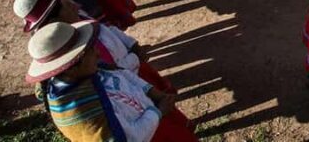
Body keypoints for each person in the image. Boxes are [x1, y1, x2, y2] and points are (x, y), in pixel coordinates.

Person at [25, 21, 198, 142]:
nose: (98, 54)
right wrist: (157, 112)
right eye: (91, 52)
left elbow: (120, 73)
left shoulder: (86, 72)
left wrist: (151, 92)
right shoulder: (82, 110)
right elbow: (130, 138)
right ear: (71, 67)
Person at [12, 0, 177, 96]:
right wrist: (135, 58)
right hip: (130, 84)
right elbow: (112, 72)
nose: (76, 6)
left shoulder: (78, 19)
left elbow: (107, 29)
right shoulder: (75, 51)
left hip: (135, 67)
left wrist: (131, 44)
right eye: (68, 5)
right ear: (54, 21)